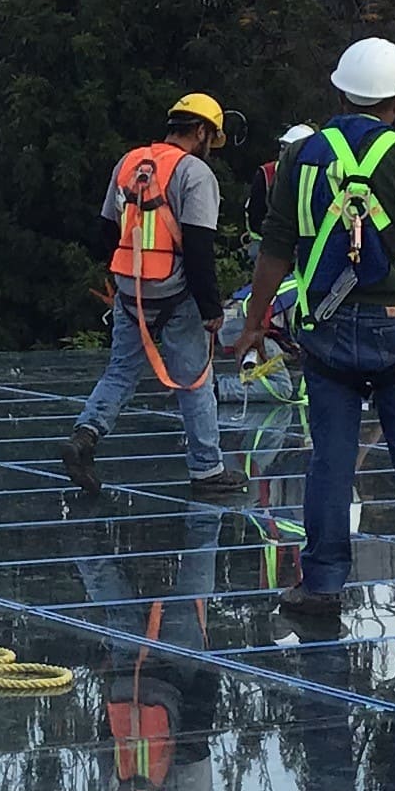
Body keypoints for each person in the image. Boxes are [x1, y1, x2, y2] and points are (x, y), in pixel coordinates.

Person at [239, 37, 395, 632]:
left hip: (325, 330)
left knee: (330, 459)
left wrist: (254, 321)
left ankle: (320, 585)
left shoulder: (301, 157)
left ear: (342, 93)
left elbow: (276, 244)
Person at [66, 93, 245, 500]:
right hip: (177, 293)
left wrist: (128, 277)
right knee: (194, 382)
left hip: (131, 291)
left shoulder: (129, 163)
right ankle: (207, 469)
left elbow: (107, 231)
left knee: (120, 372)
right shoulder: (195, 174)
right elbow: (198, 246)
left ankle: (85, 435)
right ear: (200, 131)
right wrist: (211, 308)